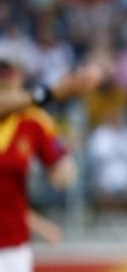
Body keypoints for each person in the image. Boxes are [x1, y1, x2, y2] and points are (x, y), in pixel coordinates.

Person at [0, 54, 101, 272]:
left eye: (11, 74)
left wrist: (64, 170)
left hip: (11, 247)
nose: (7, 80)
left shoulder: (33, 121)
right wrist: (54, 92)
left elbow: (59, 163)